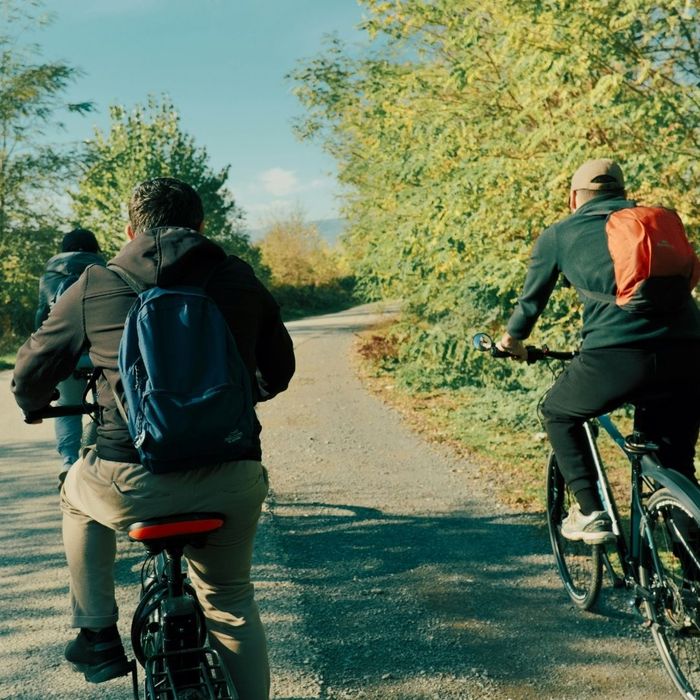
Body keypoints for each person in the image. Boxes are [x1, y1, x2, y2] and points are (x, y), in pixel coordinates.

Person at [13, 177, 295, 700]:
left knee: (74, 493)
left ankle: (97, 631)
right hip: (230, 477)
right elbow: (280, 369)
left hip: (130, 479)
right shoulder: (237, 278)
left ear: (129, 229)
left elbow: (31, 369)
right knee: (230, 603)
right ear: (202, 226)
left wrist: (35, 406)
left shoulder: (96, 283)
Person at [498, 158, 700, 544]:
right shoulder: (651, 223)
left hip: (616, 356)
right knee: (676, 467)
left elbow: (529, 304)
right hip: (691, 353)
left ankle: (591, 512)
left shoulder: (559, 234)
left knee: (557, 412)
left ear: (575, 198)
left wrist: (512, 342)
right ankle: (690, 571)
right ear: (623, 194)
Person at [35, 228, 105, 486]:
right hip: (101, 355)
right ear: (96, 250)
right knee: (107, 408)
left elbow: (42, 319)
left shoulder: (50, 277)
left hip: (67, 357)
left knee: (67, 408)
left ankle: (68, 461)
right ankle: (96, 460)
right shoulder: (109, 271)